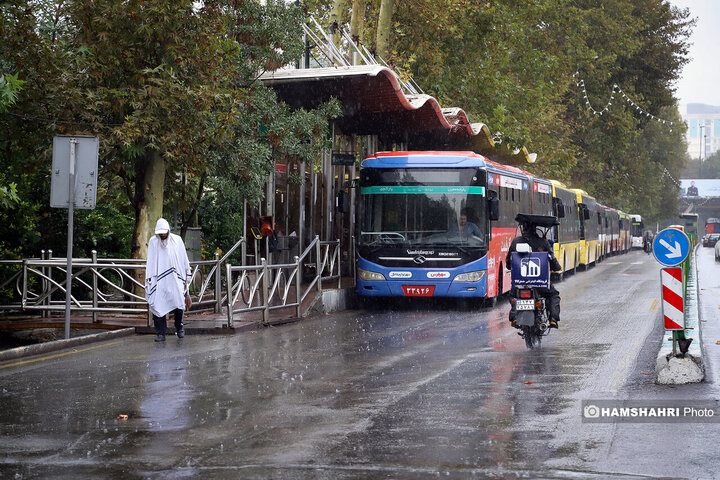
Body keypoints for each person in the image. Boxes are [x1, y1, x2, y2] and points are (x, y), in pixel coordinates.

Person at [505, 217, 562, 328]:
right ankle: (553, 319)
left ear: (523, 228)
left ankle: (515, 317)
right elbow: (553, 261)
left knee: (513, 295)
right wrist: (557, 267)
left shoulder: (516, 242)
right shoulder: (543, 242)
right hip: (540, 283)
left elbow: (508, 263)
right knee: (553, 295)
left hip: (520, 283)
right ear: (535, 229)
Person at [145, 218, 192, 342]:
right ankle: (160, 333)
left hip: (175, 278)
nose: (163, 235)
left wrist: (187, 273)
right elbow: (150, 262)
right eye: (160, 233)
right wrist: (150, 279)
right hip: (159, 280)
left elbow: (183, 257)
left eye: (164, 233)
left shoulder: (177, 241)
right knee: (157, 304)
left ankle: (179, 327)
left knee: (178, 303)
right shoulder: (153, 242)